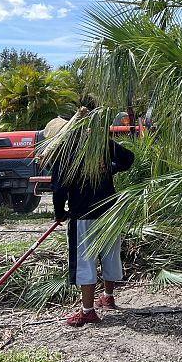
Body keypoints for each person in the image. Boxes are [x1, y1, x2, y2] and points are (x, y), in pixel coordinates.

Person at [48, 115, 135, 327]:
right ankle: (108, 296)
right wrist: (110, 166)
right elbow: (128, 159)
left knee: (85, 262)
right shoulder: (100, 146)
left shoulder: (64, 156)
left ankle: (87, 311)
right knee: (110, 255)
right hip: (110, 213)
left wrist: (60, 213)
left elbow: (59, 191)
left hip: (84, 215)